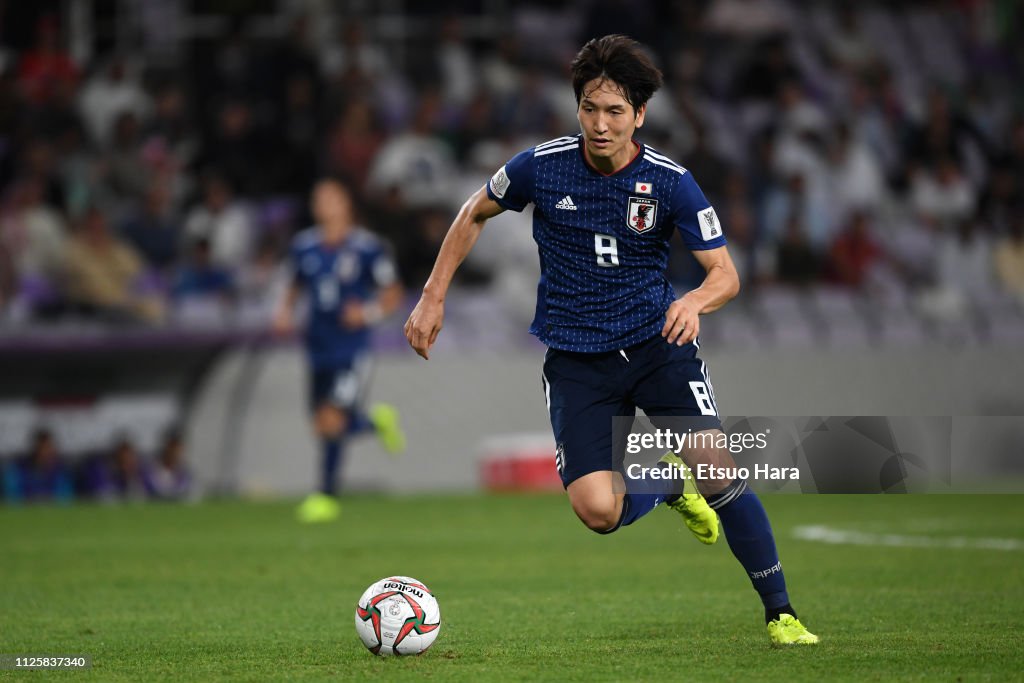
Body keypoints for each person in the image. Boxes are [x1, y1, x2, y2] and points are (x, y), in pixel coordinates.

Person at [405, 35, 818, 646]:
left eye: (615, 111)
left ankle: (780, 612)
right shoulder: (540, 166)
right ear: (577, 109)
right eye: (590, 109)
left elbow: (725, 273)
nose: (601, 125)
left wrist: (694, 300)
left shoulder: (671, 183)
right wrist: (434, 293)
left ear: (640, 115)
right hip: (577, 361)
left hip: (657, 346)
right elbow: (474, 211)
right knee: (598, 511)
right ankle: (666, 484)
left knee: (718, 465)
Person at [274, 178, 406, 523]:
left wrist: (366, 313)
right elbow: (293, 285)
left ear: (347, 204)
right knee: (321, 423)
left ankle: (325, 496)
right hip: (317, 346)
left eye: (331, 198)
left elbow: (392, 293)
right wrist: (284, 312)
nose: (324, 205)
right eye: (319, 199)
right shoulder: (304, 247)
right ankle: (374, 422)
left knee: (332, 418)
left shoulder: (367, 248)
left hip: (352, 348)